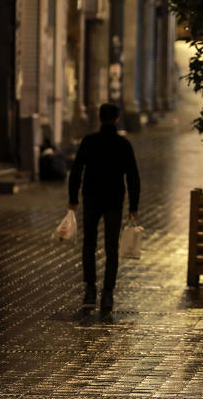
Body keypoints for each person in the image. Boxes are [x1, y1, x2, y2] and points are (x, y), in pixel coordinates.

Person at [68, 103, 141, 312]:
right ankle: (108, 293)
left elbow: (76, 171)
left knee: (88, 245)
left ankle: (90, 289)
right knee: (111, 248)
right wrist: (133, 206)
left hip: (91, 198)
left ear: (99, 118)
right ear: (117, 119)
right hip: (113, 201)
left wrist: (73, 198)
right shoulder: (123, 144)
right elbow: (133, 177)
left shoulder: (89, 142)